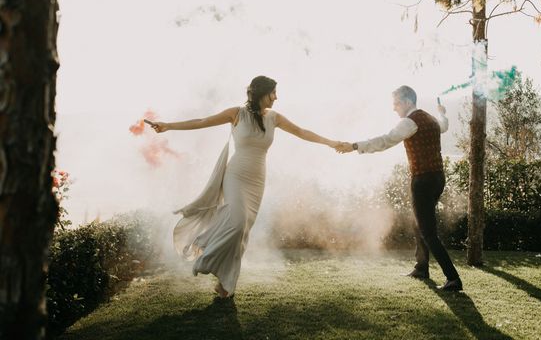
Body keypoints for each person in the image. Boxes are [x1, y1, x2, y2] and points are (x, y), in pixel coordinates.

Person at [146, 75, 341, 298]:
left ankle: (226, 284)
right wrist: (167, 126)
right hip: (236, 175)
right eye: (273, 93)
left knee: (242, 234)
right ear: (261, 93)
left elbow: (302, 132)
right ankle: (205, 251)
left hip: (257, 180)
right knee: (237, 223)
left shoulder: (274, 117)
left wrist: (331, 143)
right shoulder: (236, 114)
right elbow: (201, 121)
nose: (276, 97)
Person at [336, 85, 462, 291]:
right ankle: (421, 267)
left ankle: (453, 278)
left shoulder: (409, 122)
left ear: (407, 102)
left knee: (428, 231)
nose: (394, 108)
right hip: (438, 177)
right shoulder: (430, 118)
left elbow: (386, 141)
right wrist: (442, 114)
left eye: (396, 103)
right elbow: (444, 126)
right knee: (418, 223)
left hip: (422, 180)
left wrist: (355, 146)